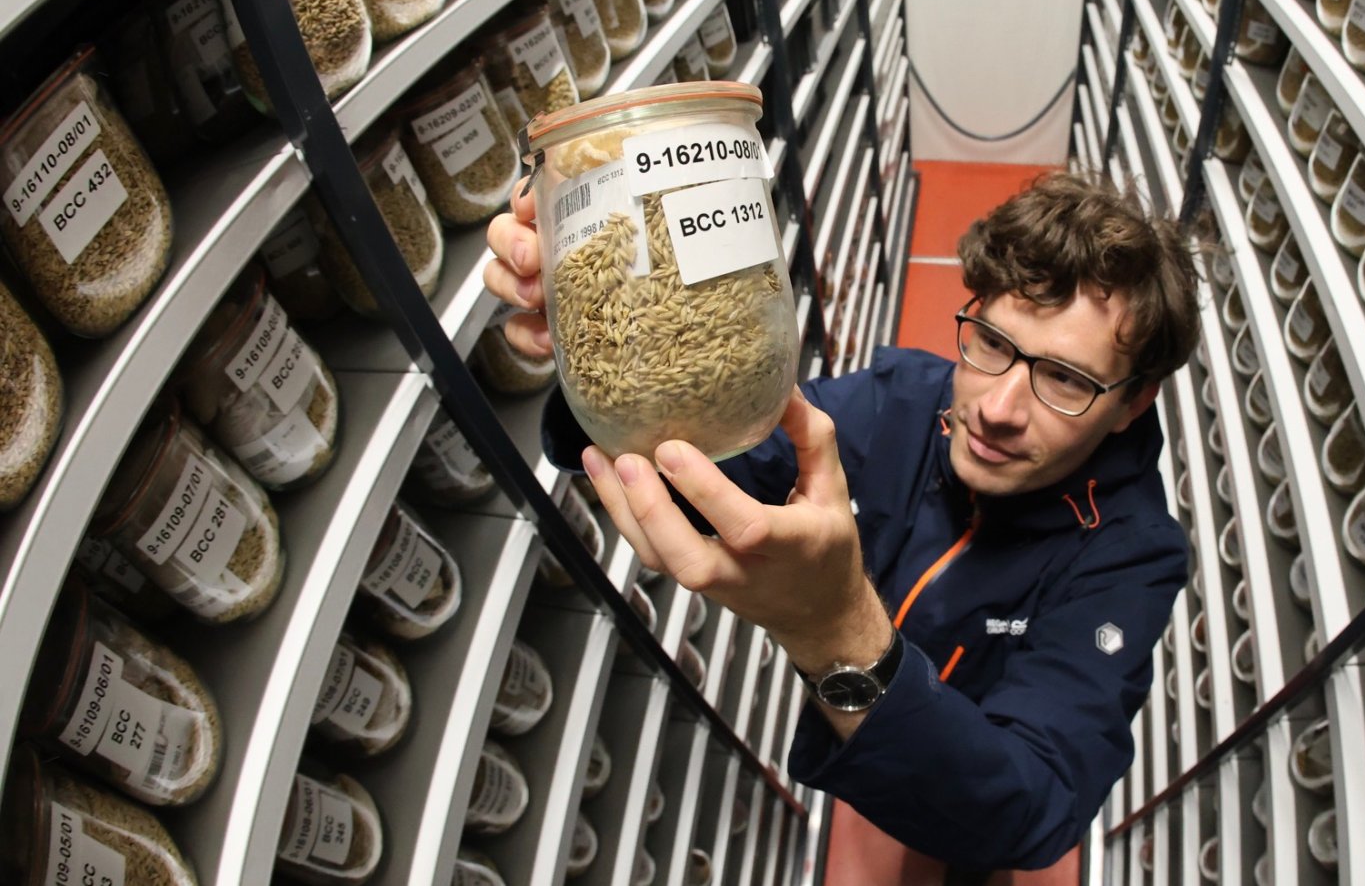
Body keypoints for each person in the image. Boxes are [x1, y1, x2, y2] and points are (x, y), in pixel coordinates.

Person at [483, 170, 1202, 873]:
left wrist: (832, 630)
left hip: (979, 739)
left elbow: (1035, 806)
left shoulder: (1132, 552)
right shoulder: (900, 401)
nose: (997, 409)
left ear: (1132, 404)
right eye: (990, 342)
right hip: (879, 719)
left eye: (1066, 379)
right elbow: (725, 457)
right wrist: (614, 354)